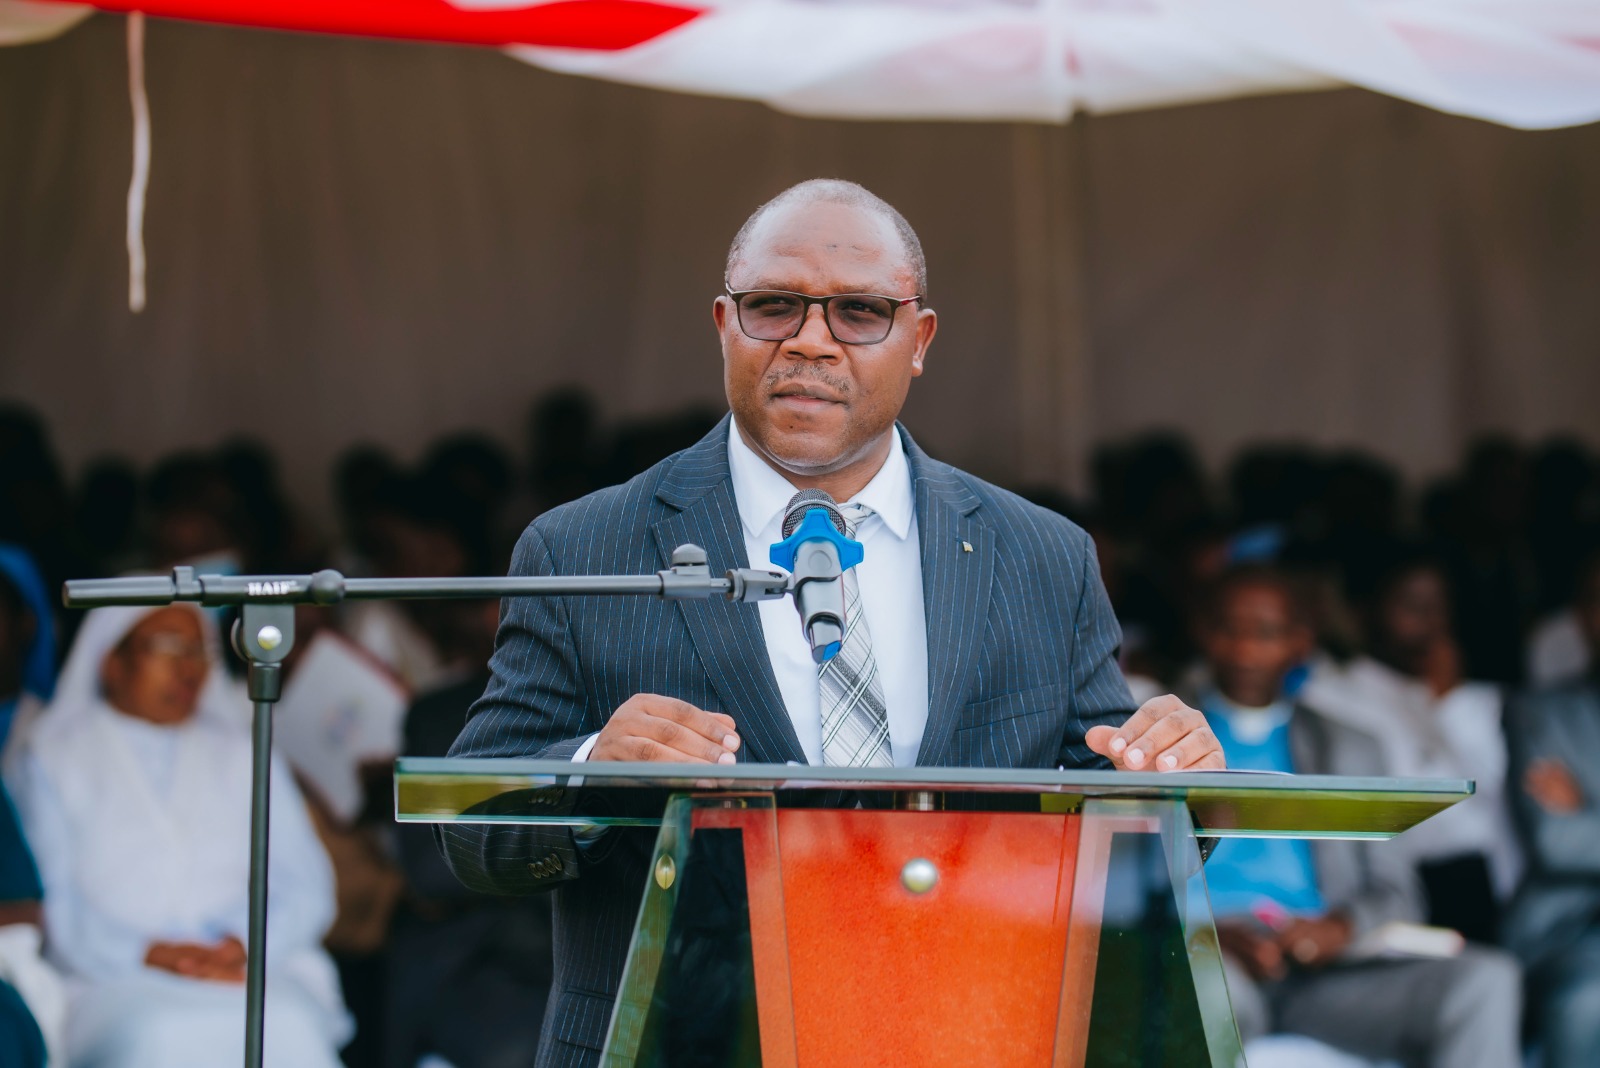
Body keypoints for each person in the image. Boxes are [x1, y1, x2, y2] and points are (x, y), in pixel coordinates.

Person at [441, 179, 1223, 1067]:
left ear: (919, 340)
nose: (810, 340)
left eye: (859, 312)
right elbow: (470, 829)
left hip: (969, 1038)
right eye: (774, 306)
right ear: (725, 324)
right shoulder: (585, 546)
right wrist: (591, 772)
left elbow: (1114, 810)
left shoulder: (1042, 556)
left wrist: (1173, 774)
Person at [1189, 565, 1521, 1068]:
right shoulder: (1161, 739)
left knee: (1485, 981)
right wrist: (1205, 934)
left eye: (1267, 633)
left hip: (1325, 973)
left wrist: (1339, 929)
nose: (1246, 651)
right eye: (1228, 630)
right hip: (1209, 961)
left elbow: (1397, 891)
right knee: (1204, 991)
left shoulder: (1351, 747)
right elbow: (1115, 884)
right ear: (1202, 632)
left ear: (1301, 641)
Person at [11, 602, 351, 1068]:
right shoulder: (52, 757)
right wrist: (150, 953)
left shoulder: (245, 752)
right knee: (160, 1037)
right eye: (167, 647)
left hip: (249, 966)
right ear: (111, 662)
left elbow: (309, 887)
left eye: (198, 650)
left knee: (287, 1028)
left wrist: (239, 945)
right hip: (108, 977)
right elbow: (55, 904)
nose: (188, 667)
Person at [1302, 549, 1522, 943]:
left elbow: (1501, 795)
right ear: (1364, 612)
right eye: (1413, 607)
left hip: (1490, 882)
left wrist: (1449, 701)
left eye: (1441, 607)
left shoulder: (1476, 700)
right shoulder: (1333, 695)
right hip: (1399, 880)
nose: (1431, 623)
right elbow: (1396, 802)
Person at [1505, 550, 1600, 1068]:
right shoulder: (1540, 712)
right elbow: (1558, 842)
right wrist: (1574, 821)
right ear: (1582, 617)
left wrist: (1588, 810)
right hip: (1570, 930)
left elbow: (1579, 835)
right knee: (1589, 1001)